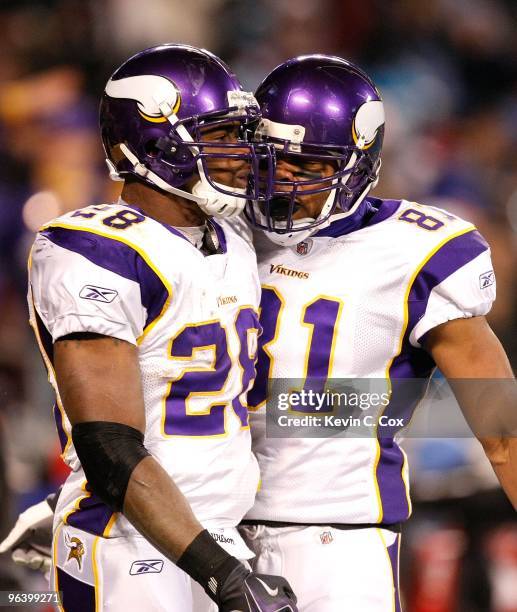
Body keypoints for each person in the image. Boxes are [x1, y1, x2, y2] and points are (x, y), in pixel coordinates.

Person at [1, 44, 297, 612]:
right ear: (151, 146)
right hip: (132, 545)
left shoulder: (232, 236)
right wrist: (224, 577)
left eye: (240, 134)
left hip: (212, 538)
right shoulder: (95, 249)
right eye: (218, 135)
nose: (240, 152)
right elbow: (108, 444)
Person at [240, 55, 516, 611]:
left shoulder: (415, 250)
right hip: (204, 528)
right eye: (273, 159)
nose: (285, 177)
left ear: (359, 164)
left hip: (333, 539)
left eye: (309, 164)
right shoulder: (214, 232)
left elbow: (502, 424)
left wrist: (301, 408)